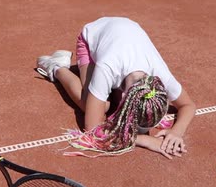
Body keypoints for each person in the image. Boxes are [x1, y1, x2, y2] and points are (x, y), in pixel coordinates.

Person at [36, 17, 196, 159]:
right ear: (125, 94)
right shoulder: (108, 68)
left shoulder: (160, 75)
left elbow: (188, 105)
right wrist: (144, 140)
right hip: (92, 39)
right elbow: (92, 129)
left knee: (101, 102)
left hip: (123, 37)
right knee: (91, 105)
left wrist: (177, 132)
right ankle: (57, 67)